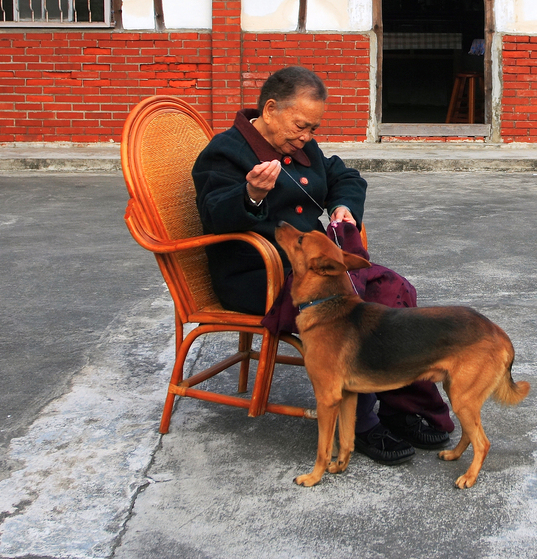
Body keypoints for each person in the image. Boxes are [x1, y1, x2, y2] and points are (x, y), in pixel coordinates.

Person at [191, 65, 454, 464]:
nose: (307, 137)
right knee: (355, 311)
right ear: (271, 108)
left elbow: (344, 175)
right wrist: (250, 195)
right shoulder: (225, 152)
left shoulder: (300, 147)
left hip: (313, 269)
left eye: (313, 129)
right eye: (302, 125)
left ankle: (400, 406)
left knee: (395, 289)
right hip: (259, 274)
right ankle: (362, 424)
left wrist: (344, 206)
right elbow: (213, 215)